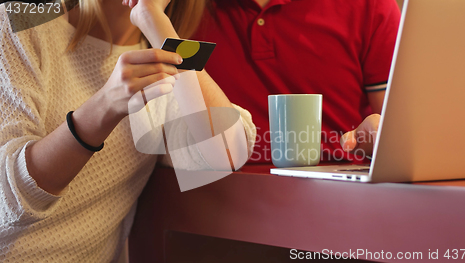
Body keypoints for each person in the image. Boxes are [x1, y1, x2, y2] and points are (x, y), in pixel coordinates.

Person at [0, 0, 255, 261]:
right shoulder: (22, 17)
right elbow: (7, 199)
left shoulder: (163, 63)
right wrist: (105, 106)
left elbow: (228, 150)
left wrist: (156, 24)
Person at [192, 0, 401, 162]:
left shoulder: (369, 6)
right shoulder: (177, 11)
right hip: (209, 195)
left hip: (340, 192)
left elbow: (404, 141)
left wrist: (381, 141)